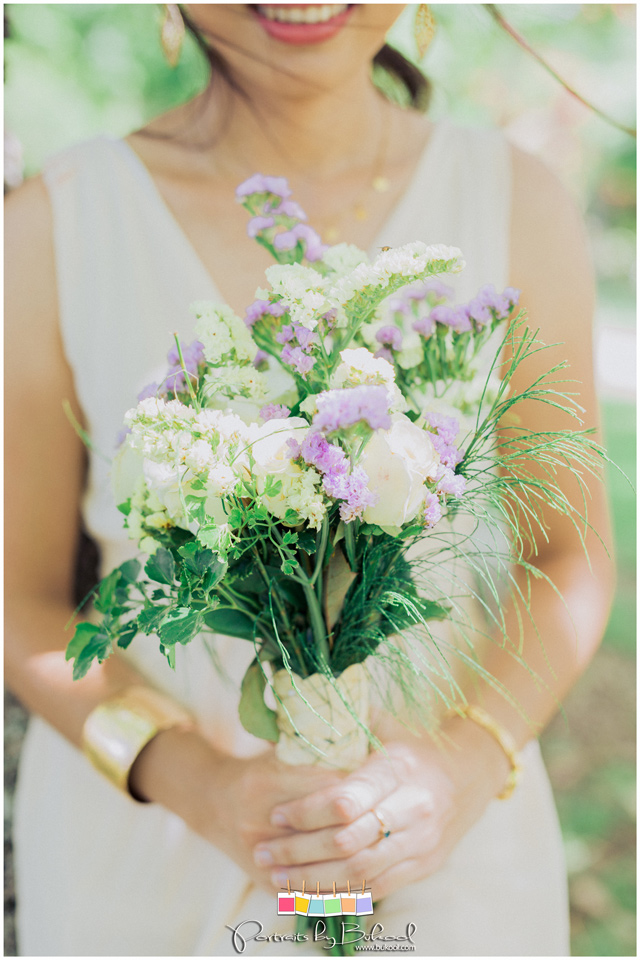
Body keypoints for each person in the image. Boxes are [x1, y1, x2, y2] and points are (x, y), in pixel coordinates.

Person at [5, 4, 614, 956]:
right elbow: (21, 597)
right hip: (148, 861)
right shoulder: (54, 226)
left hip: (447, 854)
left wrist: (461, 765)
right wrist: (196, 781)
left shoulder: (515, 202)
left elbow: (570, 559)